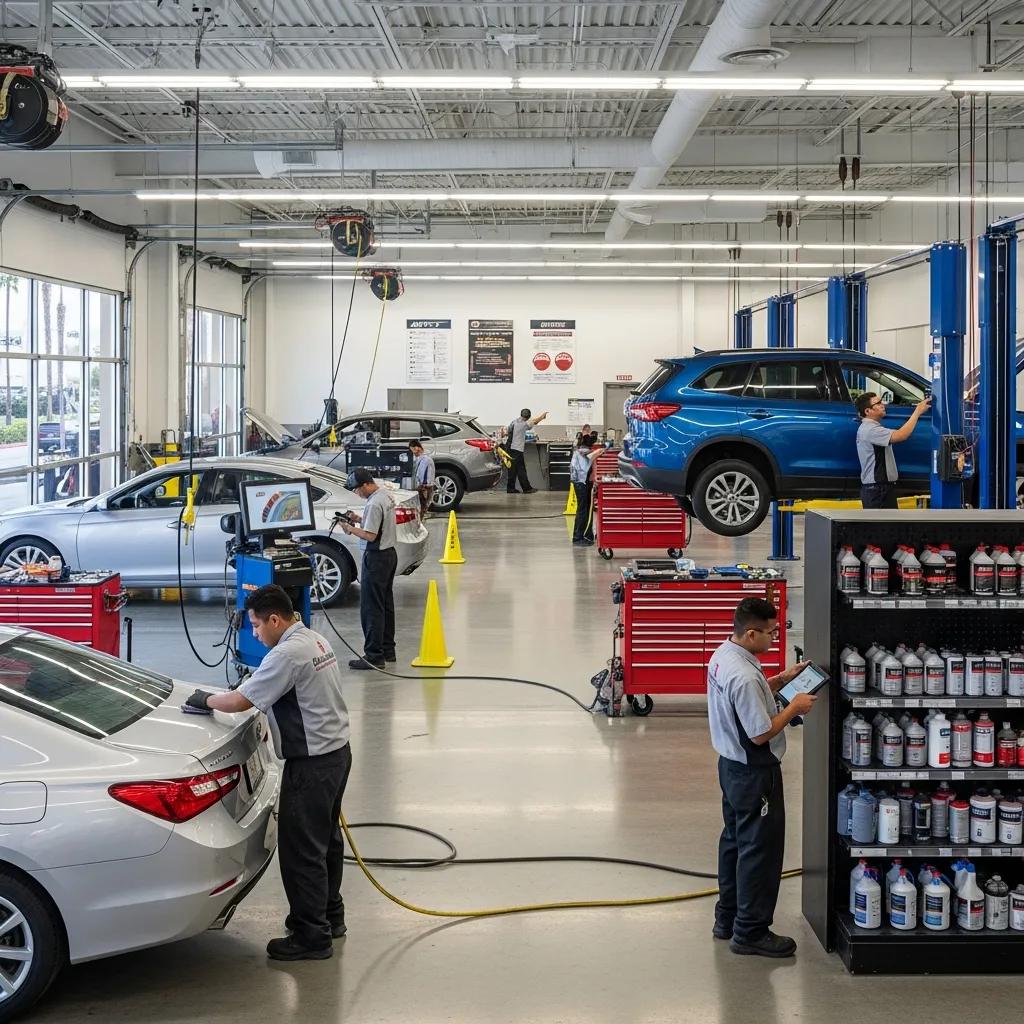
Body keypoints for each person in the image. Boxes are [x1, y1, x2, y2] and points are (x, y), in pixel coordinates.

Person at [184, 585, 351, 962]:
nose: (255, 633)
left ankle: (311, 936)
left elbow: (241, 700)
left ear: (275, 619)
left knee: (301, 851)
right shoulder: (313, 639)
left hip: (312, 766)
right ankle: (330, 916)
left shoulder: (288, 654)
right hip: (337, 755)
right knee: (327, 842)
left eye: (257, 625)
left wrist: (203, 700)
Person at [706, 597, 816, 959]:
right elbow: (760, 733)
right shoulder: (743, 676)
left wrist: (780, 681)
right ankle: (751, 932)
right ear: (751, 632)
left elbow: (746, 699)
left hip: (731, 768)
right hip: (756, 774)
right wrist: (795, 708)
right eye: (770, 633)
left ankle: (727, 918)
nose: (775, 638)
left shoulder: (725, 655)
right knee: (760, 853)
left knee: (735, 841)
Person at [337, 468, 397, 669]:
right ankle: (388, 650)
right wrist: (358, 518)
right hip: (390, 555)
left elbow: (370, 536)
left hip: (377, 558)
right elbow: (376, 524)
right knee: (385, 605)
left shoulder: (373, 503)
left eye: (356, 490)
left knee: (371, 608)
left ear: (365, 485)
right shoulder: (385, 495)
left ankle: (374, 656)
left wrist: (349, 529)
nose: (356, 494)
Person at [855, 391, 932, 509]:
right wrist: (917, 412)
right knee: (883, 527)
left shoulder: (870, 428)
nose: (883, 405)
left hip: (879, 490)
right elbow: (901, 435)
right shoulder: (870, 430)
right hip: (878, 491)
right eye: (878, 403)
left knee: (887, 527)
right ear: (867, 411)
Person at [505, 408, 548, 494]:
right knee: (521, 469)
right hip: (516, 449)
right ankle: (526, 489)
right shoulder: (523, 424)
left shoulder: (514, 421)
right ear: (528, 417)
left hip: (509, 447)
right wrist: (542, 417)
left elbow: (508, 432)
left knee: (512, 469)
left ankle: (511, 488)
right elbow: (534, 422)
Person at [569, 437, 602, 546]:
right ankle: (577, 538)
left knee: (588, 509)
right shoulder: (582, 452)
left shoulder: (584, 451)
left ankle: (587, 534)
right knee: (582, 510)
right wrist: (599, 451)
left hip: (585, 483)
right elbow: (588, 460)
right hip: (581, 483)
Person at [409, 439, 435, 519]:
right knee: (420, 510)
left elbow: (422, 475)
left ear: (417, 448)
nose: (412, 452)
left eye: (412, 449)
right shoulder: (422, 459)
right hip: (424, 487)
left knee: (421, 509)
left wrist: (421, 487)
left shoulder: (425, 460)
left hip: (424, 488)